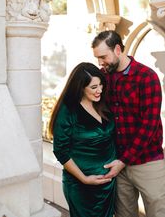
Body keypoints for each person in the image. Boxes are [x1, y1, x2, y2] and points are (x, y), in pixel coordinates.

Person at [92, 30, 165, 217]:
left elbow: (149, 126)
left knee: (159, 213)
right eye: (97, 58)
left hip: (147, 161)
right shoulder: (103, 78)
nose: (100, 63)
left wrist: (124, 160)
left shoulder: (146, 77)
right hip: (117, 163)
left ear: (118, 49)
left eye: (103, 57)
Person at [49, 62, 117, 217]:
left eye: (101, 85)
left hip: (108, 184)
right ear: (80, 87)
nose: (100, 90)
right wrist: (85, 179)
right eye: (94, 87)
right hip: (82, 186)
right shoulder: (68, 110)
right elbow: (61, 151)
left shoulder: (102, 104)